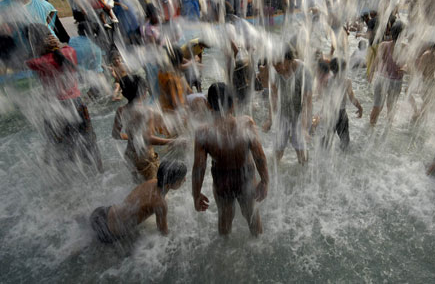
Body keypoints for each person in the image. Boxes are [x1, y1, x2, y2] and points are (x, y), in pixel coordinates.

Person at [192, 83, 269, 236]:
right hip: (245, 176)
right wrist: (265, 180)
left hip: (222, 180)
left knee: (225, 217)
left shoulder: (203, 132)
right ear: (233, 103)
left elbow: (199, 167)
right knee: (251, 214)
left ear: (208, 105)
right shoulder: (246, 123)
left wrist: (196, 194)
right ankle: (258, 242)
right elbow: (259, 155)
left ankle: (223, 247)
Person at [26, 32, 103, 173]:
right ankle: (99, 170)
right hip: (78, 104)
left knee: (62, 144)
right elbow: (64, 49)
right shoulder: (69, 52)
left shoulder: (40, 62)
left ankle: (69, 177)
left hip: (58, 108)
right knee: (89, 139)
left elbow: (29, 63)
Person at [90, 160, 187, 243]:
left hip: (102, 213)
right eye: (182, 179)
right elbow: (163, 233)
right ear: (169, 184)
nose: (185, 180)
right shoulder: (160, 204)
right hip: (109, 232)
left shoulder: (152, 182)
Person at [112, 75, 174, 182]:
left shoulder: (120, 110)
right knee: (154, 187)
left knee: (140, 187)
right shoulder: (147, 111)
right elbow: (147, 138)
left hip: (130, 155)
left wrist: (133, 137)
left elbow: (115, 135)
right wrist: (172, 141)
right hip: (144, 156)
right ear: (142, 91)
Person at [263, 46, 313, 165]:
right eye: (274, 63)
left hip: (301, 114)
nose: (276, 66)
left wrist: (304, 128)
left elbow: (307, 102)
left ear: (290, 60)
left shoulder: (304, 71)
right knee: (278, 149)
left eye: (279, 63)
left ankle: (304, 177)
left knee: (301, 150)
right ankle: (273, 177)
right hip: (284, 112)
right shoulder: (275, 71)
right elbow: (274, 96)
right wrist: (270, 119)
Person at [313, 58, 363, 150]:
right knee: (345, 141)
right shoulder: (346, 81)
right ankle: (344, 157)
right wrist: (360, 107)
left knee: (327, 138)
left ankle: (320, 153)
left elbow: (323, 97)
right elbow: (352, 98)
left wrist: (321, 113)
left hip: (330, 113)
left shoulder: (326, 81)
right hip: (341, 114)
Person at [369, 22, 406, 126]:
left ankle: (370, 129)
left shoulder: (383, 45)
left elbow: (376, 61)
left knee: (377, 106)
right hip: (395, 81)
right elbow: (409, 66)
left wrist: (371, 74)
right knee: (391, 108)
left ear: (391, 32)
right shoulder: (405, 48)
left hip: (381, 79)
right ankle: (386, 133)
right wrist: (405, 69)